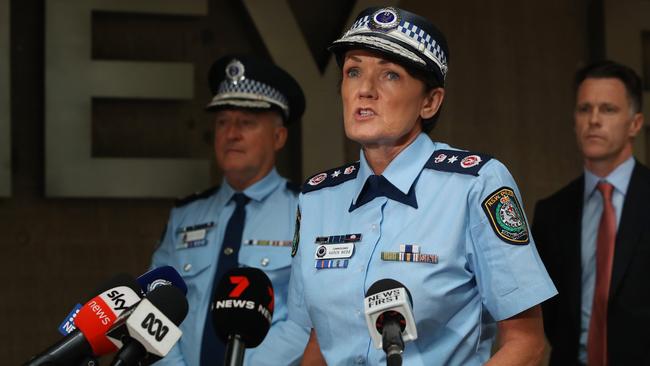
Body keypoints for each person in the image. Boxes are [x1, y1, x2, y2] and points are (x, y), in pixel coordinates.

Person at [286, 6, 557, 365]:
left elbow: (526, 343)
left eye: (390, 76)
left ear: (429, 102)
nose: (364, 90)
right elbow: (320, 344)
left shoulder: (476, 185)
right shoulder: (317, 198)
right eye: (353, 71)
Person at [150, 55, 309, 365]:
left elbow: (308, 321)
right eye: (223, 121)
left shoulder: (307, 211)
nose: (231, 133)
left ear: (279, 137)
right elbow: (155, 307)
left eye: (246, 122)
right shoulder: (185, 215)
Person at [532, 60, 649, 365]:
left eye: (608, 109)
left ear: (635, 123)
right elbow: (549, 313)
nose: (594, 120)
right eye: (585, 109)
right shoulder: (551, 212)